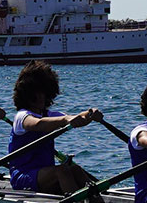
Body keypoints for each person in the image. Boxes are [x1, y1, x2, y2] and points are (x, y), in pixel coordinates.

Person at [7, 61, 101, 195]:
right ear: (26, 94)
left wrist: (90, 114)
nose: (41, 97)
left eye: (43, 93)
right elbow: (38, 124)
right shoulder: (22, 116)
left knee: (76, 170)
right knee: (62, 170)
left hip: (45, 175)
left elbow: (76, 118)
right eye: (36, 93)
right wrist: (65, 120)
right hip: (23, 177)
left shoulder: (49, 115)